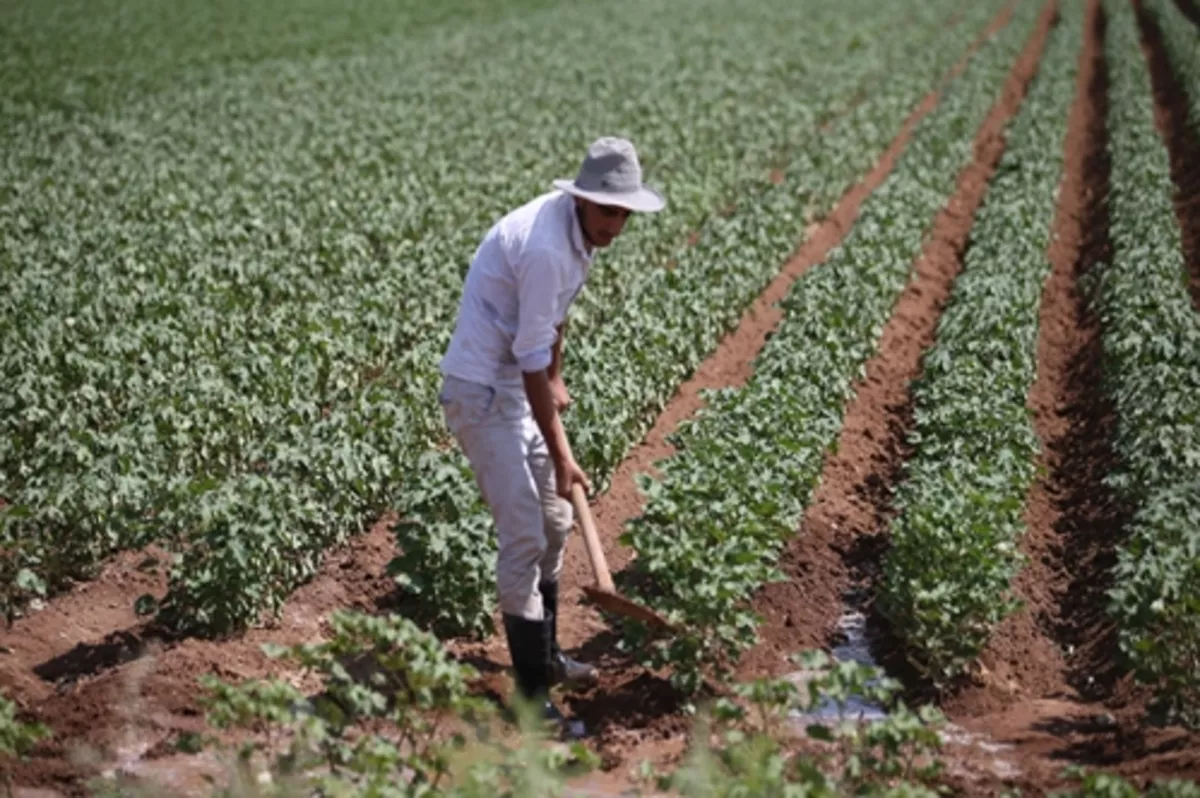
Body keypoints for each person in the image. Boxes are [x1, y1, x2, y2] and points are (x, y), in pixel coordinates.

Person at [437, 137, 666, 735]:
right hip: (482, 391)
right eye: (608, 210)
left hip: (517, 383)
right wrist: (563, 454)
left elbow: (552, 323)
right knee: (521, 536)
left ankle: (548, 656)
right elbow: (529, 353)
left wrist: (558, 375)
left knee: (556, 522)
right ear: (584, 200)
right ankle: (532, 698)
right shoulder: (546, 249)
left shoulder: (579, 237)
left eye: (624, 213)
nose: (617, 224)